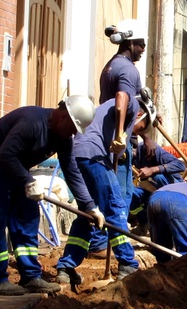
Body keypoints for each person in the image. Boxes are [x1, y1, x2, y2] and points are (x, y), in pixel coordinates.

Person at [0, 95, 100, 296]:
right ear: (64, 115)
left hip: (16, 166)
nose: (73, 133)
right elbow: (5, 154)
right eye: (73, 128)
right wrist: (28, 181)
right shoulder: (31, 123)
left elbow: (71, 170)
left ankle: (30, 276)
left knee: (27, 216)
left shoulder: (64, 137)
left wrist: (90, 206)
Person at [55, 91, 153, 284]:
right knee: (114, 208)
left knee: (88, 214)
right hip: (94, 156)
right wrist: (119, 134)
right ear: (141, 115)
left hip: (78, 156)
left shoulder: (103, 111)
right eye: (140, 129)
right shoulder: (132, 104)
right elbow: (121, 97)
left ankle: (66, 268)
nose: (137, 132)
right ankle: (127, 264)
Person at [88, 19, 153, 258]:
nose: (143, 48)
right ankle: (108, 244)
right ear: (129, 42)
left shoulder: (110, 66)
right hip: (117, 143)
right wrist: (120, 135)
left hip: (106, 138)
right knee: (119, 195)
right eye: (141, 44)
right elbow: (121, 100)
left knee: (107, 192)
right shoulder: (128, 70)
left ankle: (103, 242)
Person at [129, 141, 186, 235]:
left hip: (172, 189)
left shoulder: (150, 149)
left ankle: (169, 222)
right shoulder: (130, 161)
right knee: (132, 192)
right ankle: (144, 223)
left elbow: (180, 165)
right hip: (151, 191)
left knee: (158, 177)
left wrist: (153, 170)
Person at [146, 182, 187, 263]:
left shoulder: (185, 188)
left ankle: (163, 269)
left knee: (161, 249)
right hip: (180, 201)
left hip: (154, 199)